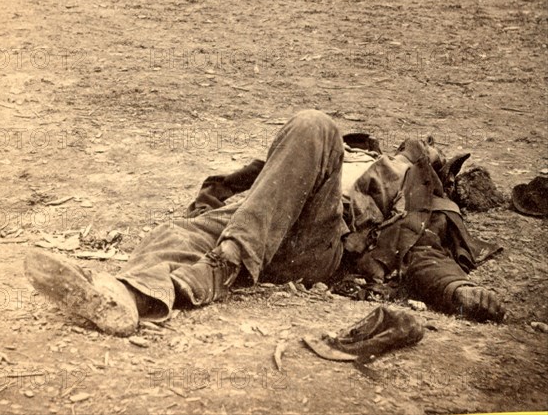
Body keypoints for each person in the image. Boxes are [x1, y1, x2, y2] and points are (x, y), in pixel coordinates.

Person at [25, 110, 505, 336]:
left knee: (315, 124)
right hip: (259, 221)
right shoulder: (367, 156)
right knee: (178, 233)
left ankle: (223, 265)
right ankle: (129, 297)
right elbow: (269, 179)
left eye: (432, 150)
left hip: (319, 244)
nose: (421, 146)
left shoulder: (423, 198)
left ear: (440, 170)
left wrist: (459, 290)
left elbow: (424, 257)